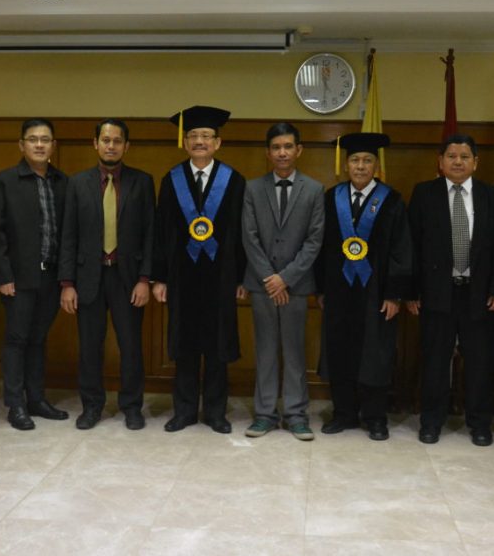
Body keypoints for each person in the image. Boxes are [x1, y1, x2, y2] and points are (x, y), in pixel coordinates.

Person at [406, 134, 494, 446]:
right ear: (440, 161)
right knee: (436, 360)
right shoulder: (424, 194)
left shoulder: (493, 196)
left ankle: (479, 424)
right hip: (437, 293)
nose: (458, 161)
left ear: (476, 162)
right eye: (451, 156)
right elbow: (412, 245)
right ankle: (431, 421)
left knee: (479, 362)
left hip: (479, 295)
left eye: (465, 156)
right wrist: (411, 292)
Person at [152, 105, 247, 434]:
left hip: (221, 276)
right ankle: (185, 410)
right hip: (182, 276)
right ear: (185, 141)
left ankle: (217, 413)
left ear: (218, 142)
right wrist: (160, 277)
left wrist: (240, 278)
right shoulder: (171, 180)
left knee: (218, 346)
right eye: (193, 136)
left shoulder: (233, 181)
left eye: (206, 136)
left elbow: (241, 232)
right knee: (185, 344)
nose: (200, 141)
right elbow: (161, 231)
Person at [59, 119, 155, 431]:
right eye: (105, 139)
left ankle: (131, 407)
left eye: (117, 140)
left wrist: (145, 279)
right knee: (89, 347)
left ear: (127, 146)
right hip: (89, 277)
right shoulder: (77, 183)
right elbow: (68, 236)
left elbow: (150, 235)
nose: (111, 145)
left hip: (128, 279)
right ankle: (91, 406)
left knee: (131, 346)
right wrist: (67, 284)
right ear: (95, 144)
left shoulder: (142, 182)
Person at [314, 132, 411, 441]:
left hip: (376, 292)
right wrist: (321, 289)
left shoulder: (392, 200)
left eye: (367, 160)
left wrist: (395, 293)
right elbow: (322, 246)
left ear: (376, 165)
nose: (360, 166)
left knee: (375, 354)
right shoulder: (331, 198)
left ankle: (375, 417)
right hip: (340, 291)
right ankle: (343, 413)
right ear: (346, 164)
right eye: (355, 160)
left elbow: (401, 250)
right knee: (340, 351)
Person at [241, 122, 324, 441]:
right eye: (276, 147)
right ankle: (264, 415)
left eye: (288, 147)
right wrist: (269, 278)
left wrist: (286, 278)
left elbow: (315, 240)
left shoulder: (315, 190)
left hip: (297, 285)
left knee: (294, 350)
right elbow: (249, 237)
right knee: (264, 349)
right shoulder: (252, 188)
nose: (282, 153)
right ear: (268, 152)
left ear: (299, 150)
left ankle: (296, 414)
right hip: (262, 284)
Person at [0, 118, 69, 431]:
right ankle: (16, 404)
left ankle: (36, 399)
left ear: (53, 145)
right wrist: (3, 276)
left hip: (51, 277)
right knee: (17, 339)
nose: (39, 144)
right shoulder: (5, 181)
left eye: (45, 139)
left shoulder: (62, 182)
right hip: (18, 278)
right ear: (21, 145)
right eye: (32, 139)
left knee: (38, 339)